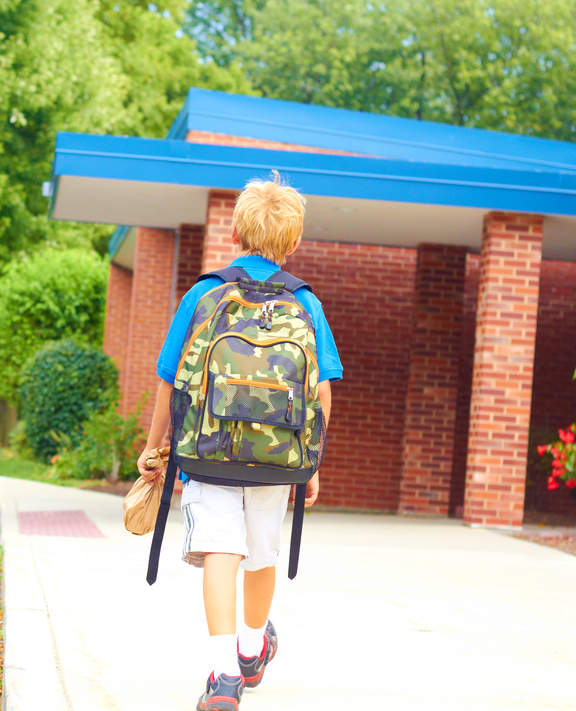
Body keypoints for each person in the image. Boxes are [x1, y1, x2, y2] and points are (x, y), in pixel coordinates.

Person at [136, 173, 342, 711]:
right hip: (278, 458)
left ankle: (223, 677)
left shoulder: (206, 293)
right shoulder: (306, 304)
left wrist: (155, 448)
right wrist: (311, 463)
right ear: (293, 242)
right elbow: (319, 389)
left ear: (234, 232)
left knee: (220, 552)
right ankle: (253, 650)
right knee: (261, 553)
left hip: (207, 453)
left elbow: (170, 378)